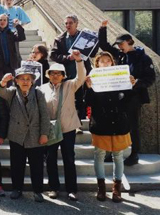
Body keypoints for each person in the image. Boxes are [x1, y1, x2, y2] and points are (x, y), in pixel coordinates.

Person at [97, 20, 156, 166]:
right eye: (118, 45)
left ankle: (134, 153)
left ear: (129, 42)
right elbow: (104, 45)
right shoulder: (121, 55)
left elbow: (150, 78)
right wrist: (102, 28)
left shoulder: (143, 58)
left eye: (121, 44)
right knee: (115, 124)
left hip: (134, 96)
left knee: (132, 125)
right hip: (118, 96)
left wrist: (137, 82)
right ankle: (113, 152)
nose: (119, 47)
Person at [85, 51, 134, 203]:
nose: (105, 63)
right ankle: (101, 188)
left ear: (112, 63)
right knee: (99, 154)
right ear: (97, 63)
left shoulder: (121, 78)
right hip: (101, 123)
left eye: (108, 61)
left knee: (118, 155)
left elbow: (127, 102)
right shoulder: (92, 79)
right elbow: (87, 102)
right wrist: (89, 88)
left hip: (119, 122)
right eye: (102, 61)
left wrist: (130, 86)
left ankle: (116, 189)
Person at [0, 68, 50, 202]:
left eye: (28, 79)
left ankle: (38, 191)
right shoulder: (13, 92)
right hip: (17, 135)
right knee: (17, 164)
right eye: (22, 78)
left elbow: (44, 115)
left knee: (37, 165)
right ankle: (17, 189)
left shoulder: (38, 93)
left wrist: (44, 133)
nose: (25, 81)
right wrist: (3, 81)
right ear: (16, 81)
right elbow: (1, 92)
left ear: (32, 81)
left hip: (35, 134)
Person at [40, 50, 85, 201]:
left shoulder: (70, 85)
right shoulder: (42, 88)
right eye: (52, 73)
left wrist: (79, 61)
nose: (55, 76)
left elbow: (81, 77)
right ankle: (53, 187)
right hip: (50, 129)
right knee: (51, 159)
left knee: (69, 159)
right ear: (48, 75)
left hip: (67, 128)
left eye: (58, 73)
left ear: (63, 75)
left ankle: (72, 189)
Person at [50, 14, 97, 132]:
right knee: (67, 100)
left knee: (80, 99)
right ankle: (66, 123)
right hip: (66, 74)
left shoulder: (85, 37)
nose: (68, 25)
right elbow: (53, 55)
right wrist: (68, 58)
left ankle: (78, 124)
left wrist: (97, 40)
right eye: (66, 23)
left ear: (77, 23)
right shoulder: (59, 39)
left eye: (70, 23)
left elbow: (92, 54)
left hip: (81, 73)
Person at [0, 14, 26, 81]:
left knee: (9, 86)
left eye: (4, 20)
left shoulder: (11, 33)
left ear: (7, 22)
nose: (2, 21)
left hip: (10, 65)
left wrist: (18, 26)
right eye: (0, 20)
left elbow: (21, 37)